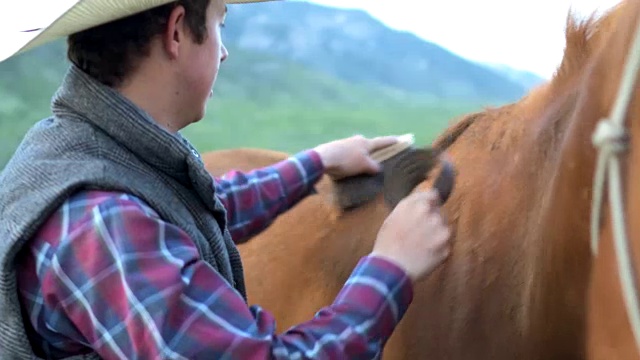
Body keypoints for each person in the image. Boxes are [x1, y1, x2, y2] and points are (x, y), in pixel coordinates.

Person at [0, 0, 452, 358]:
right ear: (177, 32)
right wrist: (391, 266)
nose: (224, 49)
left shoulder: (71, 147)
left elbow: (194, 211)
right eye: (220, 22)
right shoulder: (103, 226)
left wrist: (318, 161)